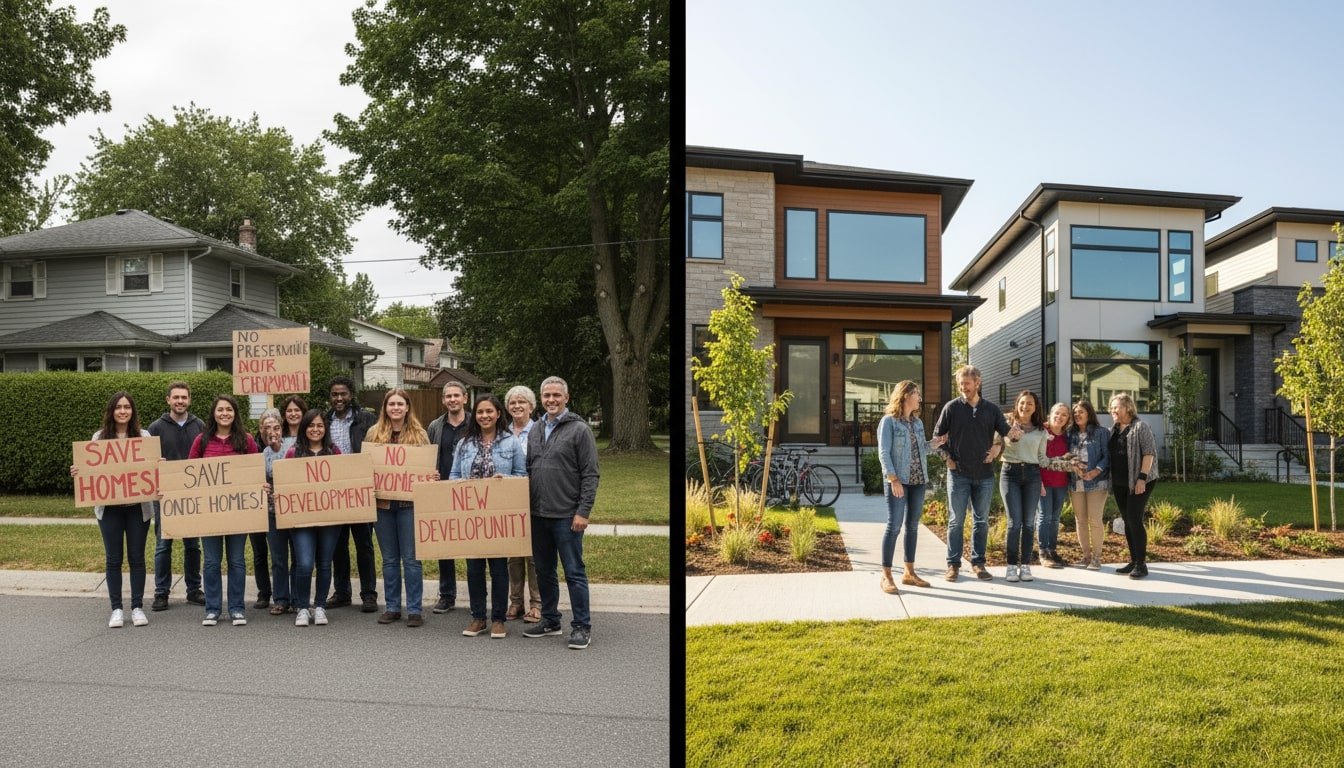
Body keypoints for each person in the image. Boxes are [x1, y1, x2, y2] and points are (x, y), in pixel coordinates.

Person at [523, 376, 599, 650]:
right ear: (541, 399)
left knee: (574, 572)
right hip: (538, 514)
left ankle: (581, 626)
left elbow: (591, 474)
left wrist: (583, 511)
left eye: (556, 395)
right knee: (544, 571)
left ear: (566, 398)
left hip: (567, 515)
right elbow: (530, 468)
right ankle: (550, 619)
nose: (551, 400)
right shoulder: (535, 429)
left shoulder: (579, 430)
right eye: (546, 396)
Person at [71, 392, 155, 628]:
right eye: (118, 407)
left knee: (137, 558)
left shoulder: (144, 436)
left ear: (132, 411)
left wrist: (159, 467)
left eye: (127, 407)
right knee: (113, 559)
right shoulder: (99, 438)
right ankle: (116, 608)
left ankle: (137, 607)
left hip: (138, 509)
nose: (123, 411)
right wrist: (79, 472)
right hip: (110, 510)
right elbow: (90, 468)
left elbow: (150, 468)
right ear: (111, 411)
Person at [450, 394, 528, 639]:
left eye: (489, 412)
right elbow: (453, 474)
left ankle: (498, 619)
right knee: (474, 569)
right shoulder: (464, 443)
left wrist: (505, 480)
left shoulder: (511, 442)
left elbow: (522, 474)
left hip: (498, 516)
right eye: (480, 412)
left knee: (498, 569)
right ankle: (477, 618)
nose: (484, 416)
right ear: (476, 415)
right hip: (470, 515)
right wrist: (459, 485)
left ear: (497, 414)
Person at [932, 365, 1013, 582]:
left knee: (981, 521)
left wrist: (998, 448)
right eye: (960, 384)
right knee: (956, 521)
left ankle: (978, 564)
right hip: (958, 474)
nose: (963, 388)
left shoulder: (992, 409)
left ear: (978, 382)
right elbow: (937, 439)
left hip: (984, 475)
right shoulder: (951, 408)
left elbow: (1006, 434)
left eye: (966, 384)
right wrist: (946, 458)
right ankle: (953, 564)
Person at [190, 394, 262, 627]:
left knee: (236, 561)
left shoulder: (246, 440)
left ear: (235, 413)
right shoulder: (201, 440)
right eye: (220, 410)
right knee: (211, 562)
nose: (224, 414)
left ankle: (237, 608)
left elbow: (256, 470)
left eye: (229, 410)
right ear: (213, 413)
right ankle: (212, 609)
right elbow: (188, 474)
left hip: (238, 514)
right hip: (209, 514)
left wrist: (260, 485)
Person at [370, 388, 437, 627]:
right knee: (389, 559)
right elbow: (365, 467)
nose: (396, 408)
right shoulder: (373, 434)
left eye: (400, 404)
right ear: (385, 408)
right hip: (383, 505)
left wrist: (431, 477)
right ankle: (391, 607)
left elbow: (427, 468)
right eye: (392, 404)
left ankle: (415, 609)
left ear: (407, 407)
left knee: (411, 559)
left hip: (410, 505)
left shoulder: (420, 435)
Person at [875, 380, 943, 594]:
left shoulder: (918, 423)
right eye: (916, 394)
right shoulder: (889, 422)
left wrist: (936, 443)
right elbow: (884, 452)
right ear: (905, 396)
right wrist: (893, 479)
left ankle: (909, 573)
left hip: (918, 481)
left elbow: (922, 449)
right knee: (894, 526)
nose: (920, 398)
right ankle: (886, 576)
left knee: (912, 527)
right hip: (899, 481)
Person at [148, 381, 205, 611]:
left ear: (189, 400)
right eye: (176, 397)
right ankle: (161, 592)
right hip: (166, 495)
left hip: (192, 495)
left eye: (184, 397)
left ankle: (193, 589)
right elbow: (147, 463)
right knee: (164, 545)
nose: (180, 401)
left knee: (193, 545)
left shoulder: (200, 425)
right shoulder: (155, 428)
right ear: (168, 400)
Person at [286, 409, 344, 627]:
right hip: (301, 519)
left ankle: (319, 606)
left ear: (325, 429)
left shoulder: (334, 452)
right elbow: (284, 483)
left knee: (324, 563)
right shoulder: (293, 453)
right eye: (311, 425)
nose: (315, 429)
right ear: (304, 428)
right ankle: (302, 607)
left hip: (329, 518)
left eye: (320, 425)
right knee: (304, 563)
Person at [326, 375, 379, 612]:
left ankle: (369, 594)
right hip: (334, 492)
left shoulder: (366, 419)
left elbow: (378, 449)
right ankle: (342, 592)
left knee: (364, 545)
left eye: (343, 394)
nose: (339, 398)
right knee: (338, 546)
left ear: (351, 394)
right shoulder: (324, 420)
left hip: (360, 490)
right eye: (335, 394)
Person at [426, 380, 471, 614]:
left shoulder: (476, 422)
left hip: (470, 492)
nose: (452, 400)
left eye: (457, 395)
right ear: (443, 401)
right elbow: (428, 455)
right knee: (444, 545)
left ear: (465, 398)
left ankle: (477, 593)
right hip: (442, 490)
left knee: (474, 544)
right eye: (448, 396)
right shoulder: (435, 426)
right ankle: (447, 595)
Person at [998, 390, 1048, 582]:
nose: (1025, 406)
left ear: (1036, 408)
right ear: (1017, 403)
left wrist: (1067, 463)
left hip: (1033, 476)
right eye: (1022, 402)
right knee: (1014, 522)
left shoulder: (1041, 431)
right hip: (1010, 473)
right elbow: (998, 444)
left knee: (1029, 523)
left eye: (1030, 404)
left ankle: (1025, 566)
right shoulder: (1006, 424)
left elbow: (1042, 459)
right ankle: (1011, 566)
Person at [1108, 393, 1158, 579]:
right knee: (1127, 520)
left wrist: (1141, 478)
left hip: (1140, 480)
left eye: (1116, 407)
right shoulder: (1114, 429)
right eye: (1111, 407)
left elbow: (1149, 453)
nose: (1113, 411)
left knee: (1134, 519)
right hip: (1121, 482)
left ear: (1128, 407)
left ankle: (1141, 564)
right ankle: (1133, 559)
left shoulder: (1140, 427)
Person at [503, 384, 542, 622]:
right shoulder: (503, 433)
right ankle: (515, 601)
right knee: (512, 554)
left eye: (522, 402)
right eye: (513, 403)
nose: (517, 406)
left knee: (534, 555)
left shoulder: (540, 431)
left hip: (535, 498)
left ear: (531, 406)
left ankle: (537, 603)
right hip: (508, 500)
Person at [258, 410, 295, 616]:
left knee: (299, 557)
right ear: (262, 432)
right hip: (272, 512)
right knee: (278, 558)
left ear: (282, 428)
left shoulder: (293, 446)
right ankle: (281, 599)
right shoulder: (263, 453)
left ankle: (298, 598)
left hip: (294, 509)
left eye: (276, 427)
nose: (272, 431)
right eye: (267, 428)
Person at [1067, 399, 1110, 570]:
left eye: (1081, 412)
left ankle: (1097, 558)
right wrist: (1073, 464)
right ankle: (1086, 557)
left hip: (1097, 482)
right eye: (1075, 413)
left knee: (1095, 520)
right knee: (1081, 521)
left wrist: (1096, 471)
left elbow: (1107, 456)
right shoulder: (1070, 433)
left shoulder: (1101, 432)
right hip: (1076, 482)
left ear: (1089, 413)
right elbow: (1066, 455)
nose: (1077, 415)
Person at [1036, 403, 1073, 569]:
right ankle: (1043, 551)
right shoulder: (1041, 432)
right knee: (1044, 516)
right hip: (1043, 482)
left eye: (1064, 415)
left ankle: (1052, 550)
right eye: (1057, 413)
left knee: (1055, 517)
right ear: (1050, 414)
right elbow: (1034, 457)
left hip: (1061, 482)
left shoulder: (1067, 436)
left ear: (1067, 419)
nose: (1060, 417)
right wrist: (1038, 481)